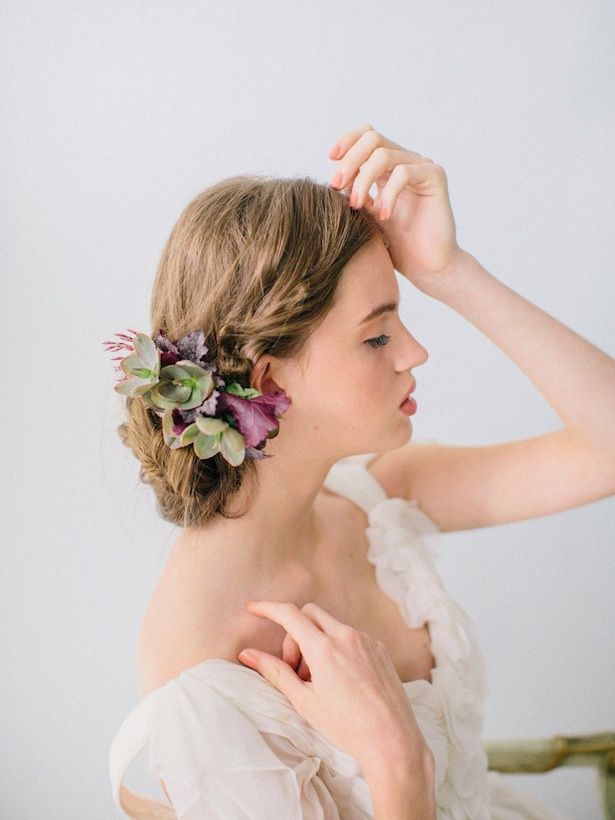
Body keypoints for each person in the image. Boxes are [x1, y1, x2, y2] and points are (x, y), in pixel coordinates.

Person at [107, 124, 614, 818]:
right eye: (376, 335)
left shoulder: (378, 498)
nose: (413, 352)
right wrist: (395, 762)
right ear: (266, 377)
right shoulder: (203, 670)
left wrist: (449, 271)